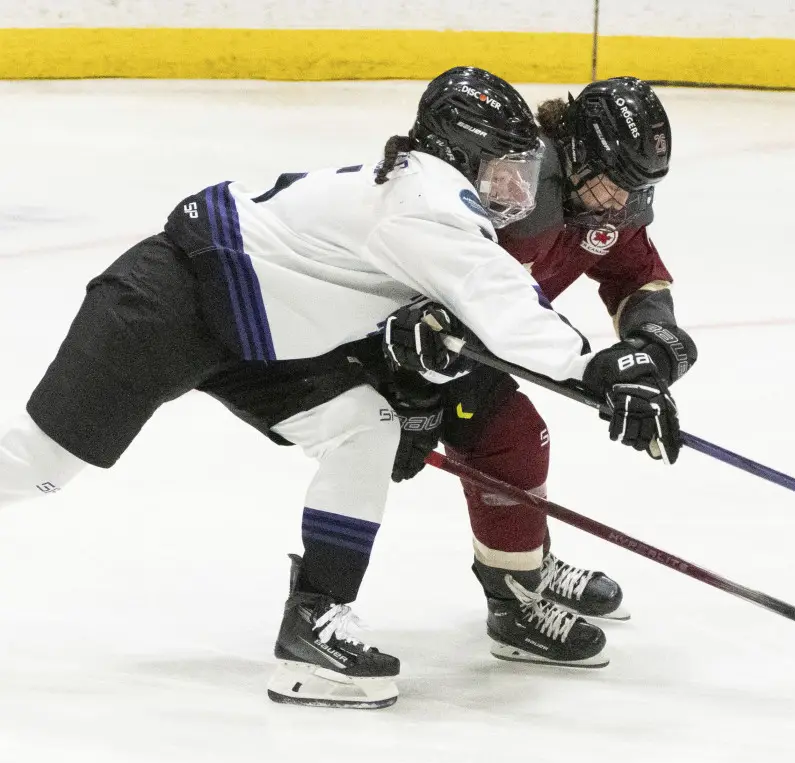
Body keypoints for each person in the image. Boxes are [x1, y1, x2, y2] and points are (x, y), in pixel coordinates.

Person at [0, 66, 681, 709]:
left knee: (366, 423)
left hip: (257, 331)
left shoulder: (438, 192)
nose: (518, 189)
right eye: (503, 168)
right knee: (39, 468)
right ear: (464, 153)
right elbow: (501, 301)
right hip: (168, 304)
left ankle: (312, 628)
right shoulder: (429, 203)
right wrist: (601, 372)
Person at [410, 76, 699, 666]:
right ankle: (514, 604)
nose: (622, 203)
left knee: (512, 436)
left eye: (636, 189)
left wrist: (650, 348)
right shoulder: (510, 189)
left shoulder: (597, 194)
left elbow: (637, 276)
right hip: (419, 343)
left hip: (482, 341)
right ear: (576, 154)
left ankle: (525, 564)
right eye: (614, 184)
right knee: (513, 437)